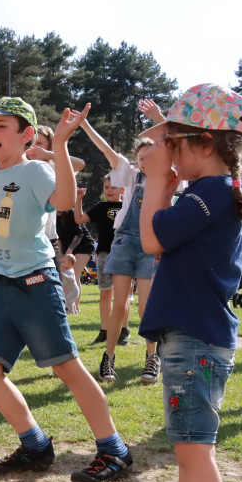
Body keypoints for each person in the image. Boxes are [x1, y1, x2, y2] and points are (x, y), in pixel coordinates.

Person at [0, 90, 133, 482]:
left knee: (67, 368)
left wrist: (59, 145)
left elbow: (64, 199)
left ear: (27, 134)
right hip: (3, 287)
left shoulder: (35, 171)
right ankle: (35, 444)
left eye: (1, 126)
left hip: (35, 283)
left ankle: (114, 449)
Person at [114, 84, 242, 482]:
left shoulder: (212, 191)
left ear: (200, 142)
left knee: (196, 453)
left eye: (171, 140)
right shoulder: (212, 191)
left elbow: (152, 238)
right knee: (188, 448)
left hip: (197, 340)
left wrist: (155, 180)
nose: (165, 151)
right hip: (193, 336)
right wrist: (162, 174)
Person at [80, 120, 160, 384]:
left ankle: (152, 357)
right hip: (124, 242)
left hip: (150, 246)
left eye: (151, 157)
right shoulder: (129, 174)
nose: (145, 162)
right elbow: (107, 150)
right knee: (119, 305)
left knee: (147, 308)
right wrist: (85, 125)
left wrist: (160, 119)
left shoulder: (167, 178)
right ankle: (109, 357)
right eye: (140, 157)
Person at [74, 175, 125, 343]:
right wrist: (79, 199)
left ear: (123, 189)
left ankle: (123, 331)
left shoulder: (129, 206)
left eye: (113, 187)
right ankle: (104, 330)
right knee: (105, 294)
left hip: (124, 254)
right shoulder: (100, 207)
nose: (109, 190)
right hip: (104, 254)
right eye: (106, 187)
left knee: (122, 295)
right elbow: (79, 219)